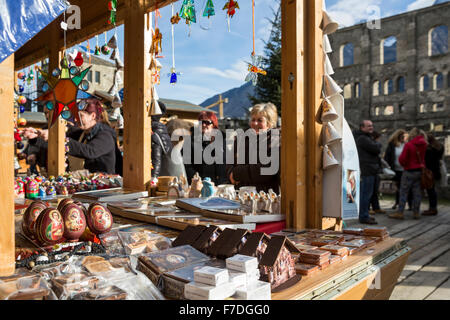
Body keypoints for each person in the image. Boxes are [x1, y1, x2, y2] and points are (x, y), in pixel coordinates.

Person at [227, 103, 280, 193]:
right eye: (253, 119)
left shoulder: (276, 141)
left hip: (264, 195)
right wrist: (230, 174)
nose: (255, 123)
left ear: (269, 123)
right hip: (240, 192)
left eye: (260, 120)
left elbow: (267, 169)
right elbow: (230, 161)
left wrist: (236, 173)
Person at [66, 99, 122, 174]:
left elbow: (90, 151)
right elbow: (70, 132)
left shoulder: (105, 135)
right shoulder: (83, 132)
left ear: (92, 116)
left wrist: (64, 141)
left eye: (80, 116)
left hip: (105, 183)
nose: (76, 119)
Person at [389, 128, 428, 220]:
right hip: (420, 171)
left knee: (403, 192)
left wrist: (404, 164)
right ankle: (416, 212)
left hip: (409, 171)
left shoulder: (409, 145)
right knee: (417, 193)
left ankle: (400, 212)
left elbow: (402, 159)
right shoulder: (424, 144)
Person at [184, 111, 227, 186]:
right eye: (201, 122)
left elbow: (225, 165)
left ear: (214, 125)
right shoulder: (190, 141)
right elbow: (187, 166)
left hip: (218, 186)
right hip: (198, 186)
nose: (203, 125)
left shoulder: (221, 141)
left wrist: (221, 184)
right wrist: (200, 181)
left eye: (207, 122)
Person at [353, 120, 381, 225]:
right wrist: (377, 143)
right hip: (367, 170)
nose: (371, 127)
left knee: (368, 194)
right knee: (366, 194)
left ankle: (365, 214)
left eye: (372, 125)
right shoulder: (362, 139)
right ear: (362, 127)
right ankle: (364, 216)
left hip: (370, 169)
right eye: (368, 126)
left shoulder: (366, 137)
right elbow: (376, 148)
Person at [151, 102, 185, 178]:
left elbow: (156, 161)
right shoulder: (163, 132)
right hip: (177, 178)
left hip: (166, 180)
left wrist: (153, 179)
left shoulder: (155, 133)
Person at [384, 129, 412, 210]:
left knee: (408, 187)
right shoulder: (392, 145)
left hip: (406, 169)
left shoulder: (407, 144)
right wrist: (387, 168)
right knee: (399, 187)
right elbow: (387, 157)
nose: (404, 138)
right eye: (403, 136)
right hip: (396, 170)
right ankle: (398, 202)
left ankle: (410, 204)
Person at [422, 133, 444, 216]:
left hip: (430, 171)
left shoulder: (429, 149)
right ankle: (433, 207)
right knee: (432, 190)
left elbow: (428, 161)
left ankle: (432, 208)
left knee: (430, 190)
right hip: (436, 170)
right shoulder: (439, 147)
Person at [369, 131, 386, 215]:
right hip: (370, 170)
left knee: (375, 191)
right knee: (369, 191)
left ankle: (376, 207)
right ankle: (368, 208)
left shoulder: (374, 145)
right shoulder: (372, 145)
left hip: (376, 170)